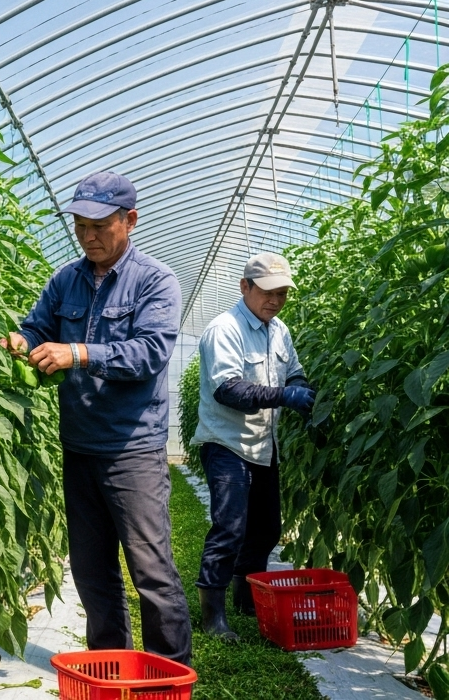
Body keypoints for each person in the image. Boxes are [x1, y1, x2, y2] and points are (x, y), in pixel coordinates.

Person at [2, 171, 191, 665]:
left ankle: (170, 672)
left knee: (151, 570)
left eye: (99, 225)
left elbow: (150, 353)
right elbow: (36, 324)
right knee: (91, 570)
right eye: (79, 225)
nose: (87, 236)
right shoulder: (66, 278)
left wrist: (79, 353)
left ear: (129, 220)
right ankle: (111, 665)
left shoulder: (155, 280)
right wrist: (21, 341)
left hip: (132, 449)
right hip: (80, 444)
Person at [191, 252, 314, 642]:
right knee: (230, 527)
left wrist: (304, 390)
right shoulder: (223, 329)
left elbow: (293, 370)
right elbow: (228, 389)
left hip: (264, 444)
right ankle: (213, 616)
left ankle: (247, 599)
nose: (275, 301)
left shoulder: (279, 331)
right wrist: (285, 396)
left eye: (282, 293)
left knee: (265, 529)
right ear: (245, 287)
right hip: (226, 443)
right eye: (267, 292)